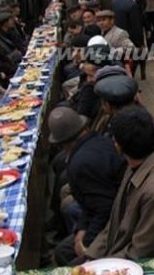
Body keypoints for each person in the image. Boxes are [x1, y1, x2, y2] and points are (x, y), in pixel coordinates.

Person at [83, 105, 154, 261]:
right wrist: (91, 255)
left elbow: (140, 253)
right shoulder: (136, 163)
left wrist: (99, 267)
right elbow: (114, 224)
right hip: (120, 252)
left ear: (118, 146)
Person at [49, 107, 124, 266]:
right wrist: (81, 229)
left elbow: (104, 208)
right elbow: (90, 203)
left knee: (62, 252)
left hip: (116, 222)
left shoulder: (81, 163)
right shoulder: (98, 140)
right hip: (106, 210)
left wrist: (87, 241)